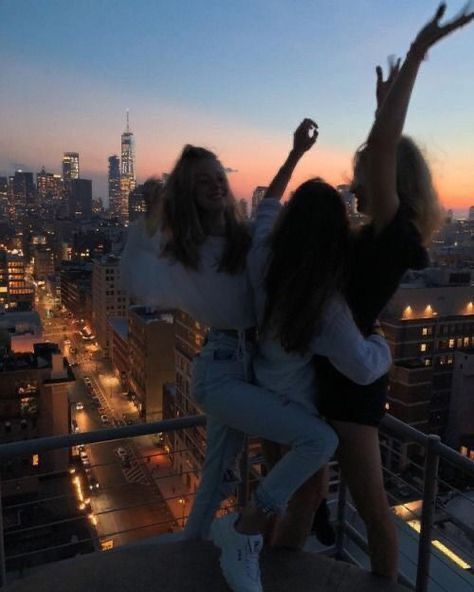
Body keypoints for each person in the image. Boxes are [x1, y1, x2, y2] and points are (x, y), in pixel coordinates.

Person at [267, 3, 473, 581]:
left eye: (363, 176)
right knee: (308, 496)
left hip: (352, 392)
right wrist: (381, 110)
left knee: (372, 505)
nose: (354, 185)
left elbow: (384, 150)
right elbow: (382, 149)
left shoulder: (391, 233)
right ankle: (278, 575)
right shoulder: (383, 234)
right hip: (336, 376)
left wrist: (416, 58)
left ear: (390, 184)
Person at [207, 128, 393, 592]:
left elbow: (268, 203)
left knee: (293, 490)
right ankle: (257, 552)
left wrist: (295, 153)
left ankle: (263, 561)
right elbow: (364, 366)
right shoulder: (322, 302)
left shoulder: (264, 255)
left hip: (263, 390)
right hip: (299, 407)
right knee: (306, 490)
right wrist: (381, 340)